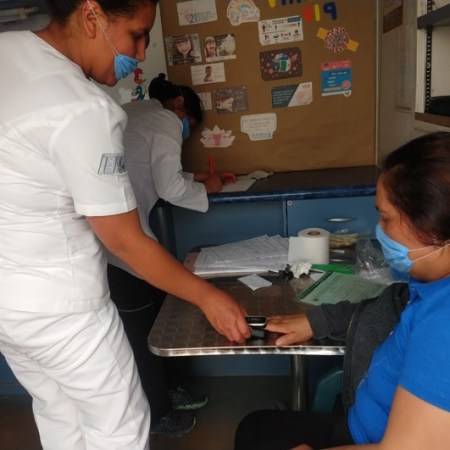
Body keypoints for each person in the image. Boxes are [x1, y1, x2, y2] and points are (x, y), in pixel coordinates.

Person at [0, 1, 251, 449]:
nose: (140, 53)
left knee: (59, 415)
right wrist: (207, 297)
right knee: (120, 429)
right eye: (137, 34)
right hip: (64, 311)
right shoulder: (81, 107)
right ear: (91, 15)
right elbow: (126, 242)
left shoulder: (9, 52)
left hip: (10, 308)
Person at [234, 131, 450, 450]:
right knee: (253, 429)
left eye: (386, 218)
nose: (379, 230)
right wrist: (319, 321)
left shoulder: (443, 325)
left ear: (432, 229)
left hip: (367, 439)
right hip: (359, 418)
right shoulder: (430, 284)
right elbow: (392, 305)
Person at [107, 73, 236, 436]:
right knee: (141, 331)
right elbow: (170, 187)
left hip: (121, 234)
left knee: (161, 314)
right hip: (118, 247)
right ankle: (159, 413)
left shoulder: (133, 111)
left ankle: (172, 390)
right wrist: (209, 188)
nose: (185, 132)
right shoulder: (166, 119)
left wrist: (200, 177)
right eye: (190, 124)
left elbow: (151, 167)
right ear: (180, 107)